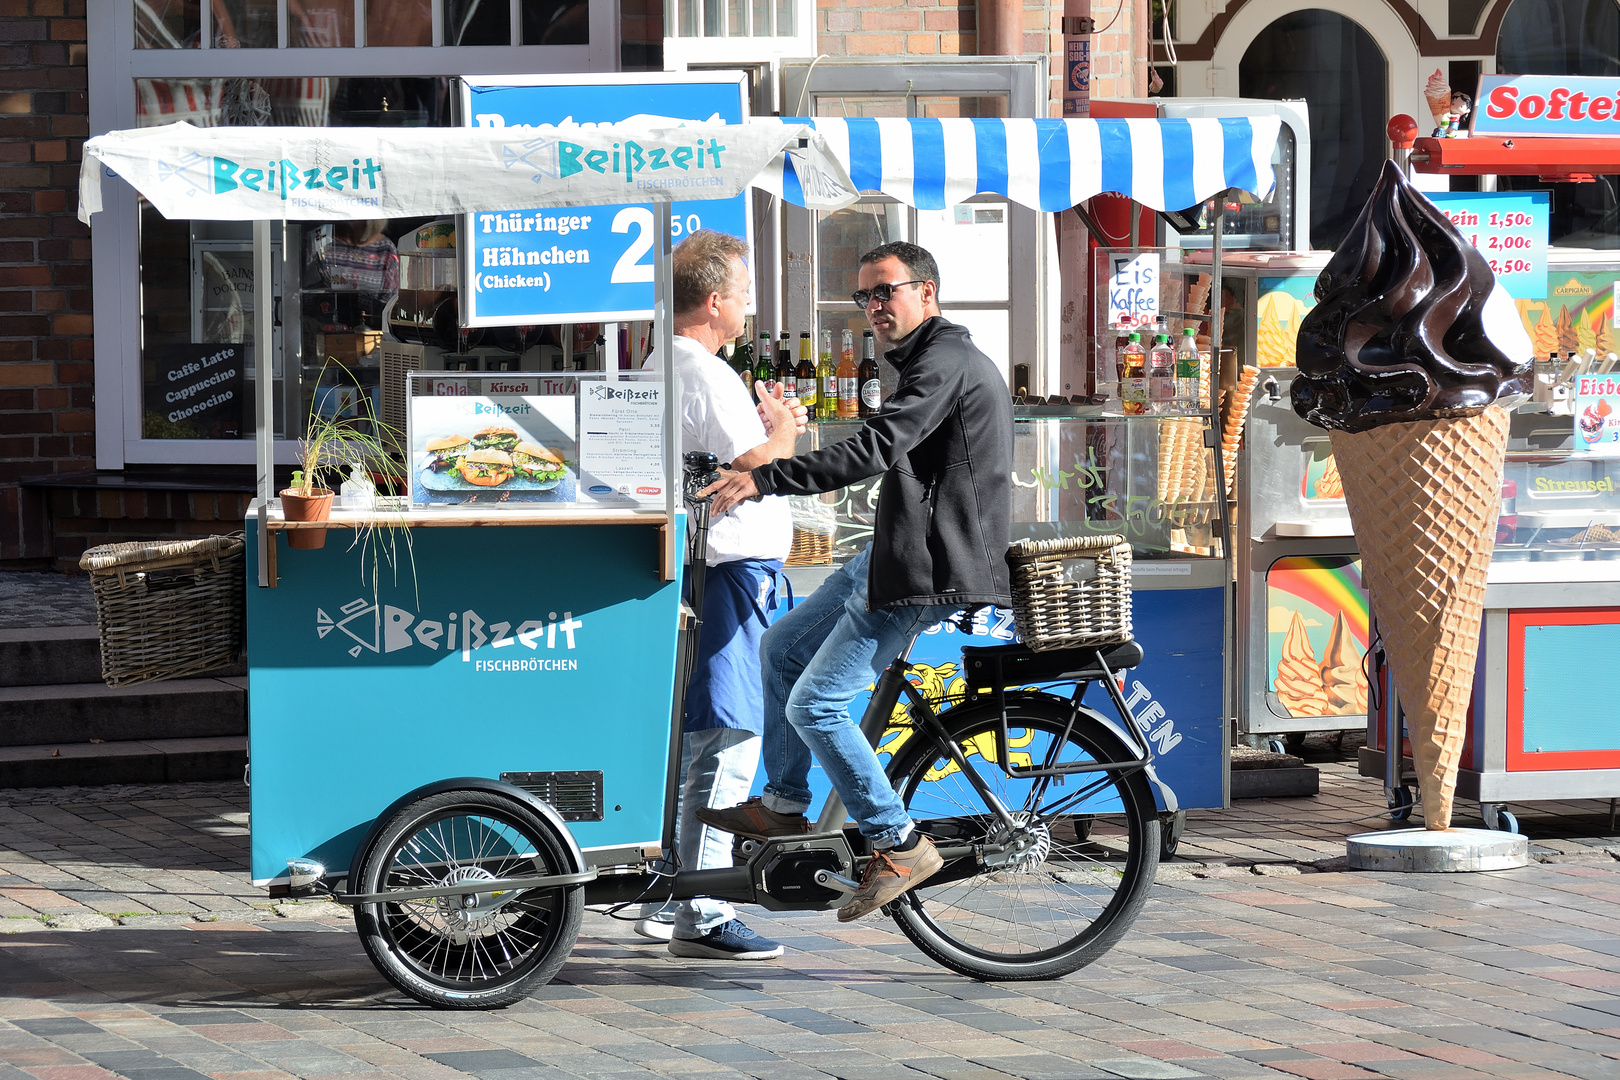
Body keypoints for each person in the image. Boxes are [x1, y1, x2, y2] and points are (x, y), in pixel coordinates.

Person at [698, 241, 1014, 922]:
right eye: (865, 297)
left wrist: (766, 476)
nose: (874, 307)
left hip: (925, 570)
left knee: (815, 705)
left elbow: (877, 447)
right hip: (892, 554)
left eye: (887, 292)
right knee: (779, 649)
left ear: (926, 293)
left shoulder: (947, 363)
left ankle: (896, 841)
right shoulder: (926, 360)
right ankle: (784, 804)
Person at [637, 230, 804, 960]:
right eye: (743, 294)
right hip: (731, 571)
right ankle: (700, 909)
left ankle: (674, 891)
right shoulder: (703, 371)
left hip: (713, 570)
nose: (749, 306)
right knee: (728, 738)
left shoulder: (665, 362)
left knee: (705, 734)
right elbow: (753, 469)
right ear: (713, 301)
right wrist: (787, 433)